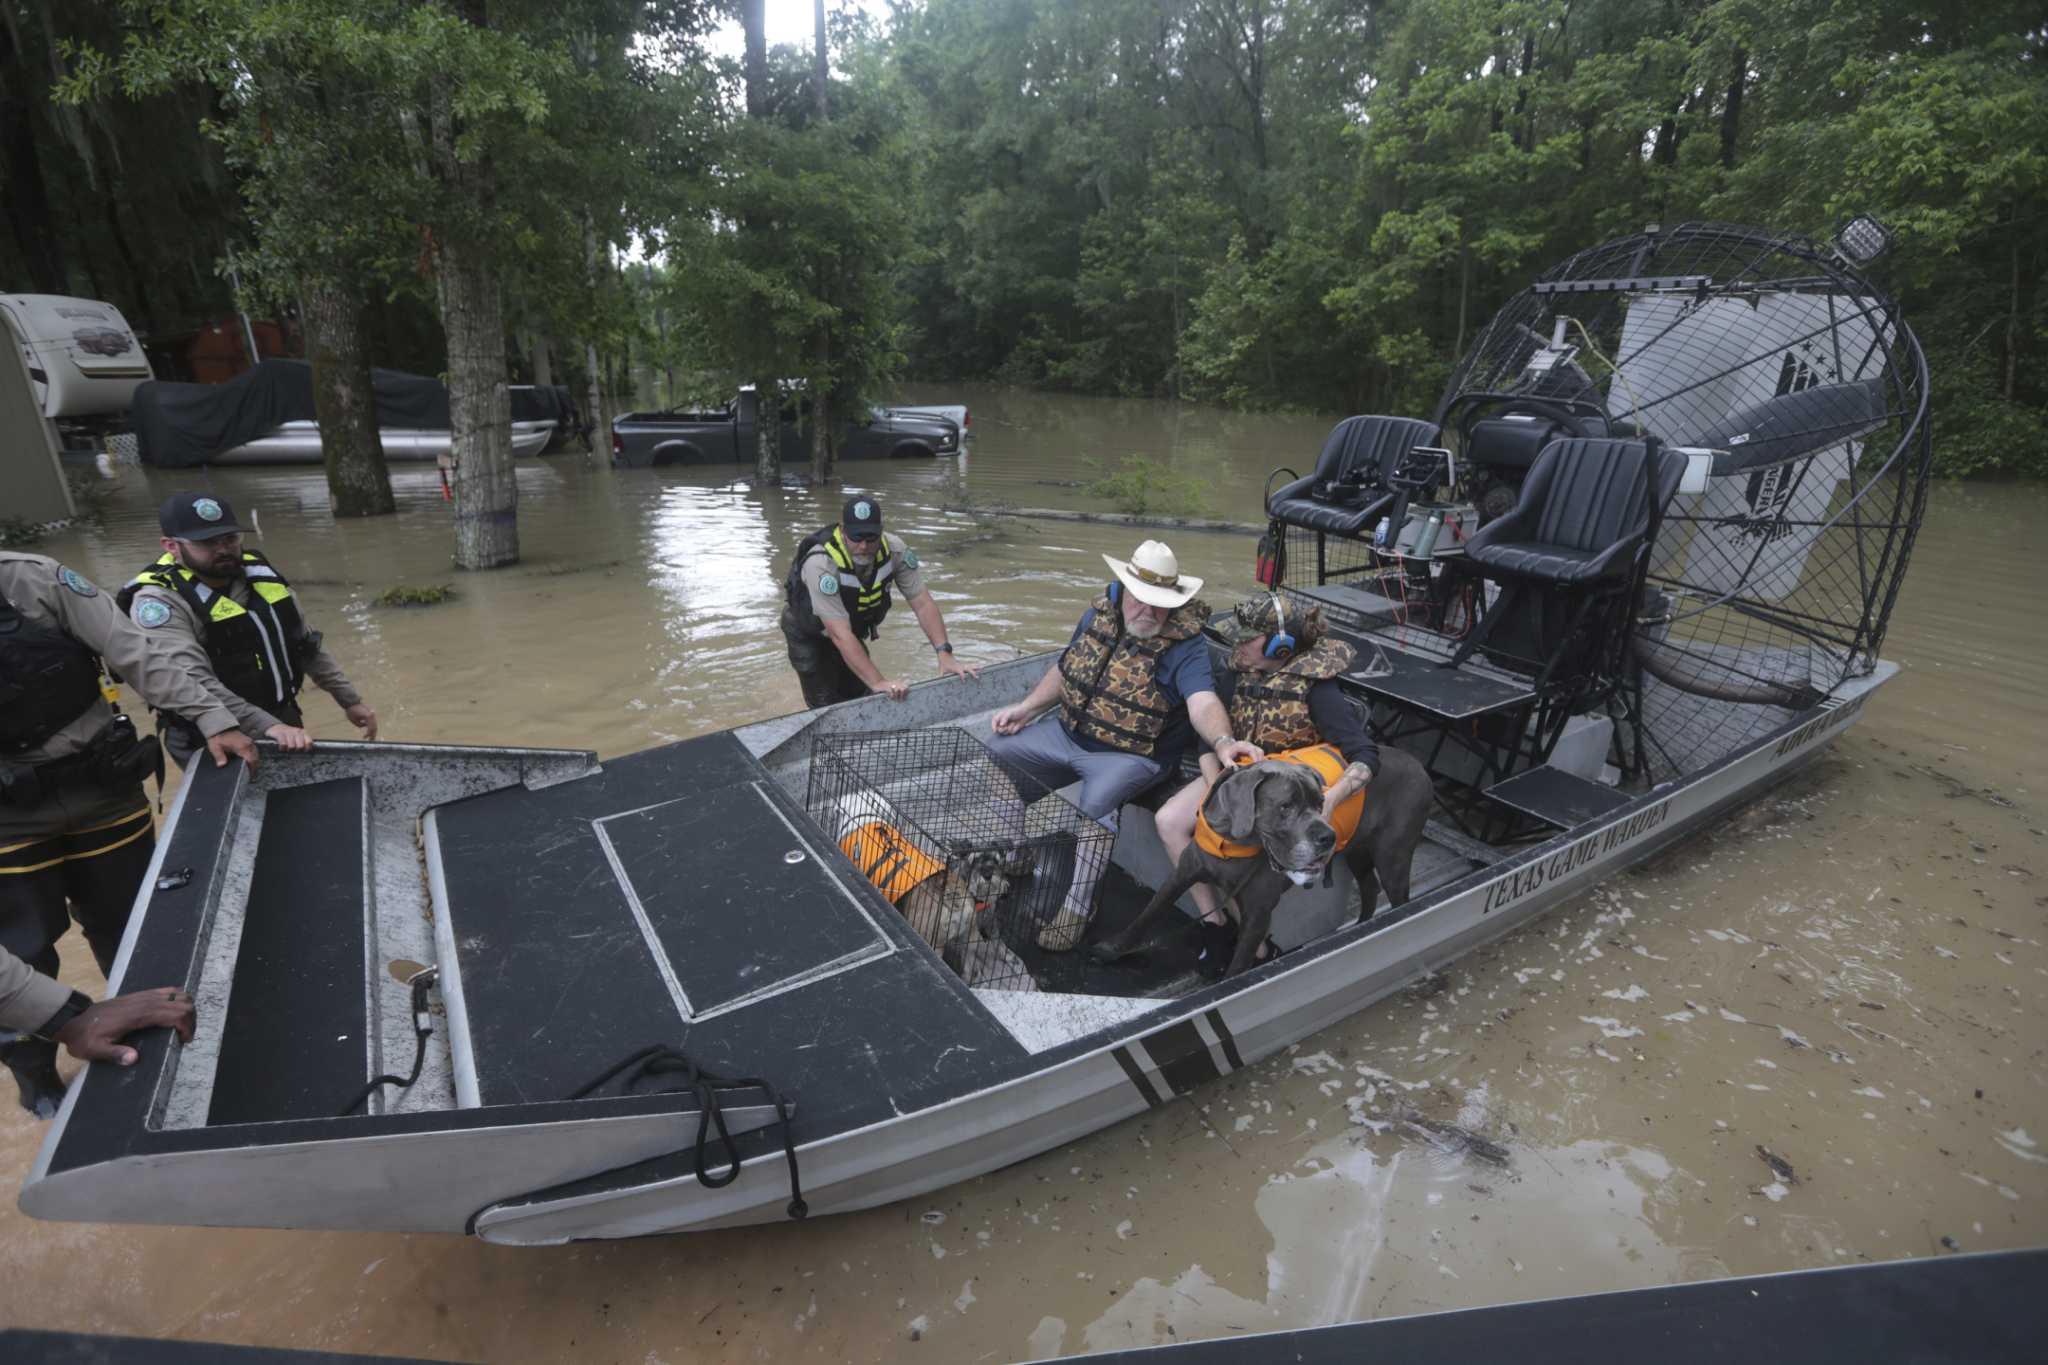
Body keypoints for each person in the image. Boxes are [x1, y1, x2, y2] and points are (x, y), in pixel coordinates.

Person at [1, 551, 256, 1116]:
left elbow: (135, 649)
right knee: (25, 948)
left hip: (101, 788)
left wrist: (211, 716)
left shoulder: (32, 579)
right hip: (8, 819)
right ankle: (36, 1074)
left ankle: (157, 1040)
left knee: (139, 924)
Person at [985, 540, 1261, 950]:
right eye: (1139, 599)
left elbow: (1202, 700)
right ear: (1124, 589)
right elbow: (1067, 669)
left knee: (1097, 801)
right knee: (998, 750)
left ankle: (1079, 907)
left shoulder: (1187, 647)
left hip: (1132, 755)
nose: (1147, 611)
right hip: (1066, 733)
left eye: (1159, 603)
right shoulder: (1098, 615)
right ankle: (1015, 853)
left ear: (1174, 601)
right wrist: (1027, 708)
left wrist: (1222, 742)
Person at [1161, 593, 1378, 974]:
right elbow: (1206, 743)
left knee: (1239, 854)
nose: (1237, 645)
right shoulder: (1236, 671)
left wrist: (1329, 802)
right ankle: (1215, 926)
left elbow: (1364, 754)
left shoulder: (1316, 686)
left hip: (1289, 799)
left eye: (1248, 638)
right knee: (1170, 821)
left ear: (1281, 646)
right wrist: (1219, 796)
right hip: (1234, 779)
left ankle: (1258, 946)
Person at [119, 493, 378, 767]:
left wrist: (349, 700)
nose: (223, 549)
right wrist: (269, 727)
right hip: (210, 731)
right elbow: (192, 682)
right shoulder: (159, 602)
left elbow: (305, 644)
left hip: (280, 718)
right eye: (207, 542)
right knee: (239, 808)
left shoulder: (260, 576)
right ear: (171, 545)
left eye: (230, 539)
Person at [780, 495, 977, 708]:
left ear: (881, 531)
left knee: (861, 694)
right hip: (810, 633)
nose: (864, 546)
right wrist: (880, 682)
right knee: (827, 705)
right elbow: (839, 634)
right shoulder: (821, 563)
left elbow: (922, 602)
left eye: (871, 538)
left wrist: (945, 653)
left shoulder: (895, 550)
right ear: (843, 530)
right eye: (856, 538)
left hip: (848, 630)